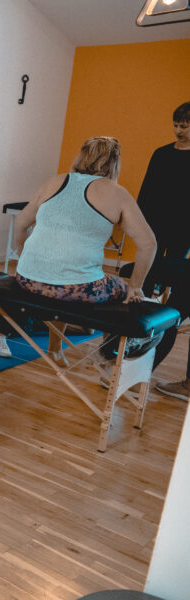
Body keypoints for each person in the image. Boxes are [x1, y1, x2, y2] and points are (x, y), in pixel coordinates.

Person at [13, 136, 157, 364]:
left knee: (66, 280)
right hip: (76, 289)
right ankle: (108, 357)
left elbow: (20, 224)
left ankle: (55, 348)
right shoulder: (116, 192)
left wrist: (25, 260)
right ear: (114, 162)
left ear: (81, 155)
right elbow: (149, 244)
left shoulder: (56, 181)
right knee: (122, 288)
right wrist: (136, 287)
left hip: (27, 281)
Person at [130, 102, 190, 400]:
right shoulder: (162, 153)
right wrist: (139, 226)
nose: (180, 130)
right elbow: (146, 192)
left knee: (176, 293)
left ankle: (148, 357)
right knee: (145, 288)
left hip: (183, 234)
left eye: (186, 125)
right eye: (177, 124)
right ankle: (128, 352)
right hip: (156, 229)